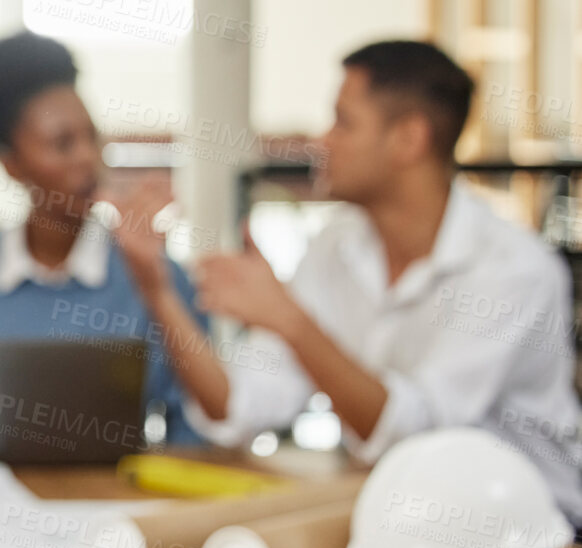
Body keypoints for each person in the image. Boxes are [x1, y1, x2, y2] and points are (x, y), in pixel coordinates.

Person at [134, 39, 582, 523]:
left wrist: (291, 320)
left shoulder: (514, 271)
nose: (321, 141)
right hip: (404, 524)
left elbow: (418, 433)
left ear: (409, 138)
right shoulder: (337, 245)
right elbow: (239, 409)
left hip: (535, 537)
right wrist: (158, 290)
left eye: (343, 122)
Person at [0, 31, 208, 446]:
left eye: (91, 137)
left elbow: (194, 431)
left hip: (119, 502)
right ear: (12, 166)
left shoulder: (156, 277)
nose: (86, 157)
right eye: (62, 144)